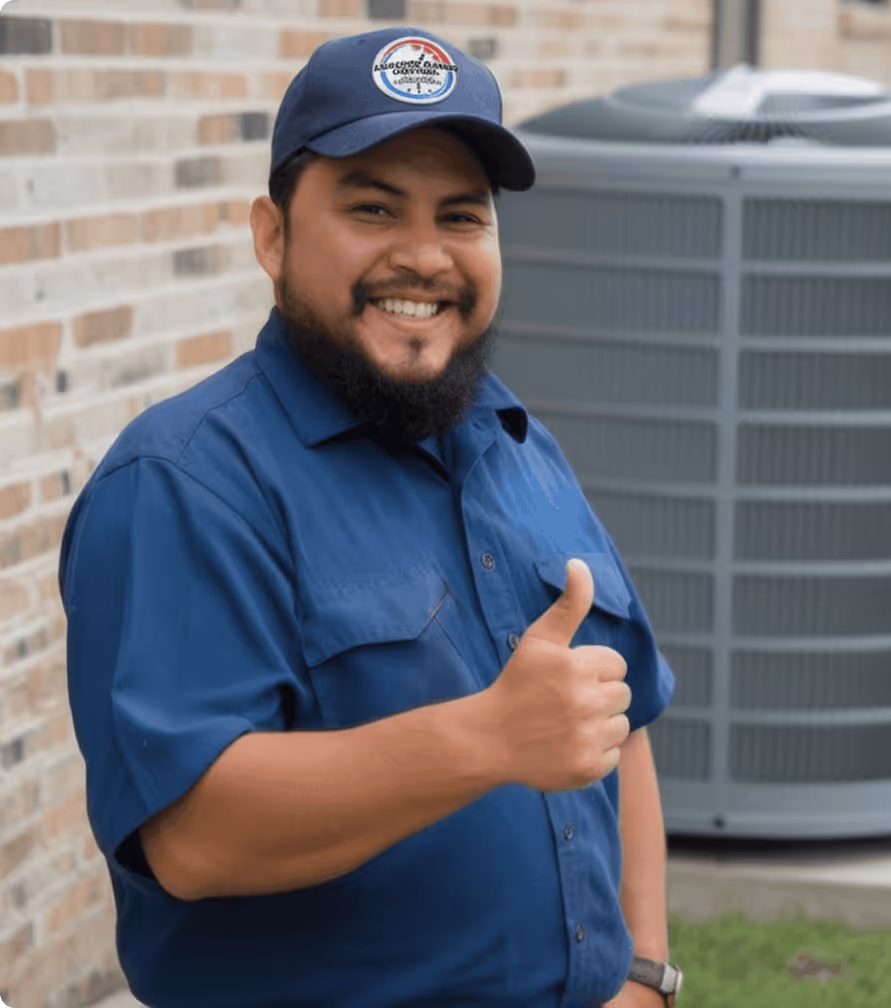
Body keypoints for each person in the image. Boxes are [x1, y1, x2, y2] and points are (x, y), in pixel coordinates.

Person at [59, 26, 681, 1008]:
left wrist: (645, 974)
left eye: (462, 216)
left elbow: (619, 713)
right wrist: (487, 737)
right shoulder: (184, 481)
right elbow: (193, 836)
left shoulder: (517, 441)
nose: (424, 255)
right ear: (272, 235)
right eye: (373, 207)